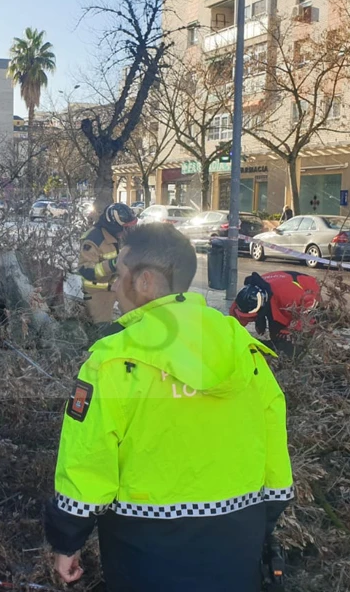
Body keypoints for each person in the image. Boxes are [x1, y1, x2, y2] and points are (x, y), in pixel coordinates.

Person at [45, 223, 294, 592]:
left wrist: (67, 543)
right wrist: (265, 519)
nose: (114, 285)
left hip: (144, 550)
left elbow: (86, 462)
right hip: (237, 540)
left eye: (120, 275)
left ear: (145, 282)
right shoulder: (241, 348)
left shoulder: (113, 360)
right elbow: (274, 441)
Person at [230, 270, 321, 356]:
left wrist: (291, 327)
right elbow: (234, 318)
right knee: (276, 333)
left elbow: (310, 305)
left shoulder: (287, 296)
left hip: (308, 294)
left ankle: (297, 354)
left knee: (290, 337)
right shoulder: (245, 295)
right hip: (278, 292)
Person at [77, 202, 137, 323]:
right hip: (98, 293)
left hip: (120, 287)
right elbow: (85, 270)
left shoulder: (121, 236)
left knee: (134, 319)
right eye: (126, 227)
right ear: (114, 226)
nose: (129, 230)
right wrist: (113, 264)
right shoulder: (93, 239)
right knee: (101, 329)